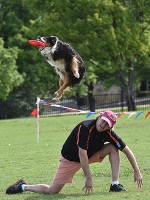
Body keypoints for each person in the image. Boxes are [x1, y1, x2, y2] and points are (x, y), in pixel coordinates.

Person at [6, 110, 143, 195]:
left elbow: (126, 149)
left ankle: (115, 185)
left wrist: (137, 171)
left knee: (113, 147)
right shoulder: (85, 127)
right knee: (52, 191)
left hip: (88, 156)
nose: (104, 125)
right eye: (104, 121)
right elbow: (81, 154)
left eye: (108, 124)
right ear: (100, 116)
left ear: (110, 127)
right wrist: (88, 178)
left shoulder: (108, 133)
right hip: (71, 159)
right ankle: (23, 186)